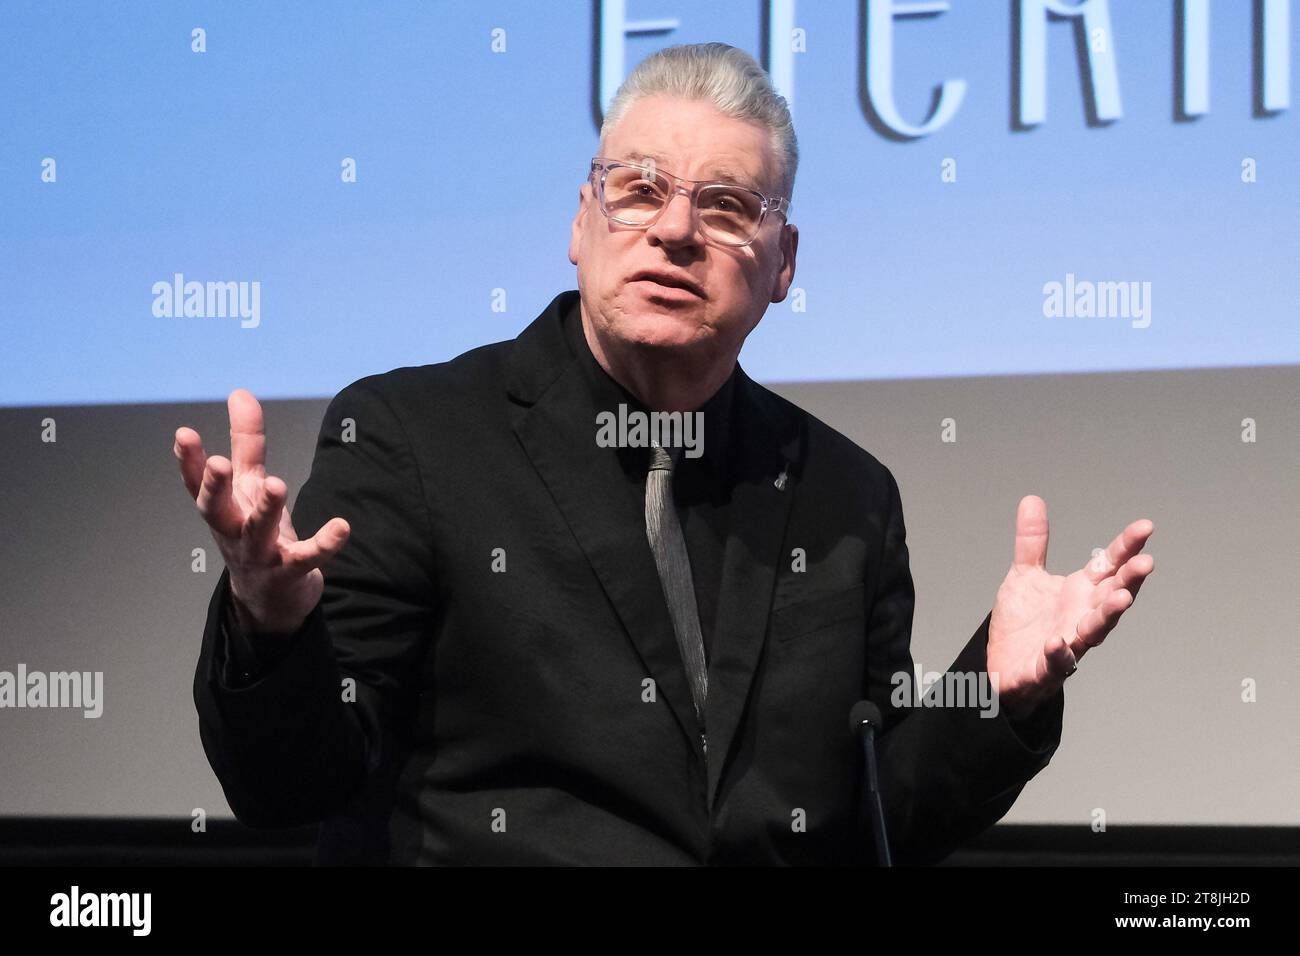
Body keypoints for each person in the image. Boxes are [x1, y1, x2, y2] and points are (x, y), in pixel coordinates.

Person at [174, 43, 1153, 865]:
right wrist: (269, 624)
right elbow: (293, 783)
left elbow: (875, 827)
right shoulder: (415, 435)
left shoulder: (844, 494)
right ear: (580, 221)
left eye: (725, 205)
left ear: (783, 264)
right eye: (638, 190)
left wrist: (992, 687)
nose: (675, 228)